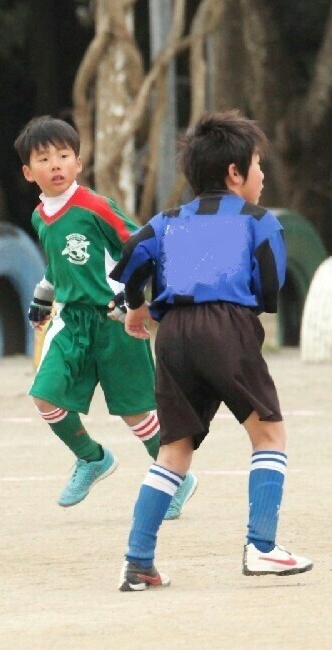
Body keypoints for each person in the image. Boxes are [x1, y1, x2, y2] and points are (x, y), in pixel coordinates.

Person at [112, 111, 311, 590]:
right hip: (227, 327)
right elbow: (270, 289)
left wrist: (138, 308)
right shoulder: (259, 222)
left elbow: (128, 264)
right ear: (234, 173)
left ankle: (138, 561)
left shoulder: (165, 222)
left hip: (175, 334)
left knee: (173, 450)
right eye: (257, 166)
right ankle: (262, 548)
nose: (262, 176)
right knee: (269, 435)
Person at [14, 116, 196, 517]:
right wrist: (43, 297)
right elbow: (59, 266)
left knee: (135, 411)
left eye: (64, 155)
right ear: (29, 172)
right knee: (45, 396)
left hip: (115, 322)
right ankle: (92, 457)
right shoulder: (39, 216)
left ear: (79, 163)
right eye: (44, 159)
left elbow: (139, 247)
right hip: (72, 323)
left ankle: (177, 479)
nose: (56, 164)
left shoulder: (95, 206)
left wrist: (135, 300)